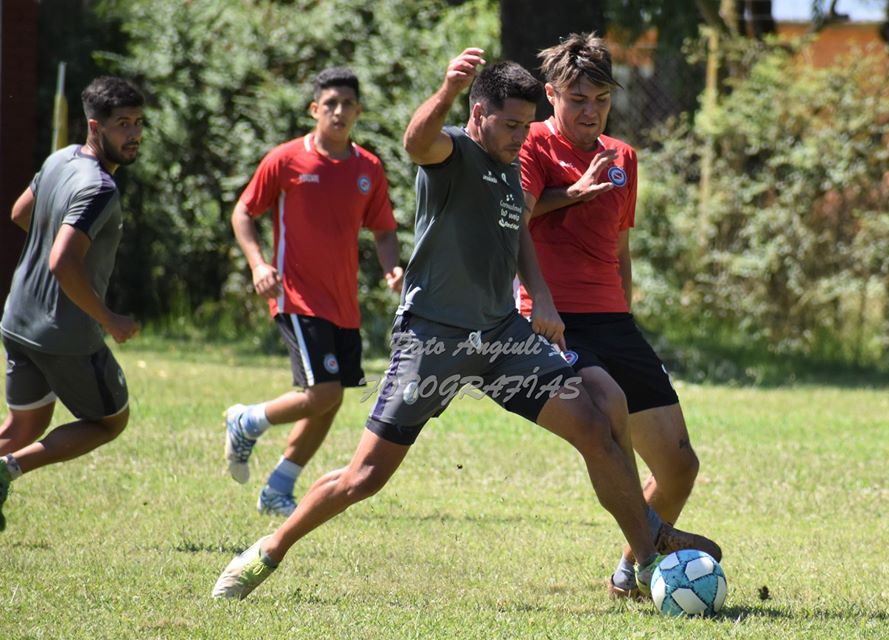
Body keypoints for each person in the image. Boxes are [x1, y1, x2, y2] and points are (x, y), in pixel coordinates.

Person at [212, 48, 719, 601]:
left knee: (599, 409)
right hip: (434, 340)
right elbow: (414, 142)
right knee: (366, 477)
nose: (520, 137)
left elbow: (520, 234)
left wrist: (542, 300)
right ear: (478, 112)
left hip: (502, 340)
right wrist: (448, 90)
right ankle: (269, 551)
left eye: (526, 127)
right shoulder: (451, 150)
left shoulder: (510, 166)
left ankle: (645, 556)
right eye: (509, 125)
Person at [516, 33, 713, 600]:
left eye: (600, 99)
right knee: (609, 422)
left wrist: (626, 312)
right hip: (553, 319)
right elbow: (514, 226)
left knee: (680, 466)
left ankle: (628, 575)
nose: (590, 110)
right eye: (577, 98)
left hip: (614, 321)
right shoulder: (529, 145)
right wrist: (571, 192)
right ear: (552, 95)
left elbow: (620, 249)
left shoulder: (624, 156)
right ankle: (654, 559)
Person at [223, 68, 402, 517]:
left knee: (330, 400)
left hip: (344, 305)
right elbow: (244, 213)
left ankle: (278, 487)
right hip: (296, 297)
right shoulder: (286, 160)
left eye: (348, 104)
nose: (340, 111)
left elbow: (383, 231)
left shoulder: (368, 168)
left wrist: (391, 269)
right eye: (331, 103)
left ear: (359, 112)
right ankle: (246, 421)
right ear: (315, 109)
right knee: (323, 394)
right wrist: (259, 263)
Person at [0, 76, 145, 532]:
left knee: (21, 429)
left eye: (139, 122)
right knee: (108, 422)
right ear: (95, 126)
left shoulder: (60, 158)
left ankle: (7, 461)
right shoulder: (100, 187)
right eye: (123, 124)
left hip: (17, 317)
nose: (134, 134)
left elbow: (21, 213)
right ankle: (8, 471)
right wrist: (110, 319)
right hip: (64, 335)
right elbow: (64, 260)